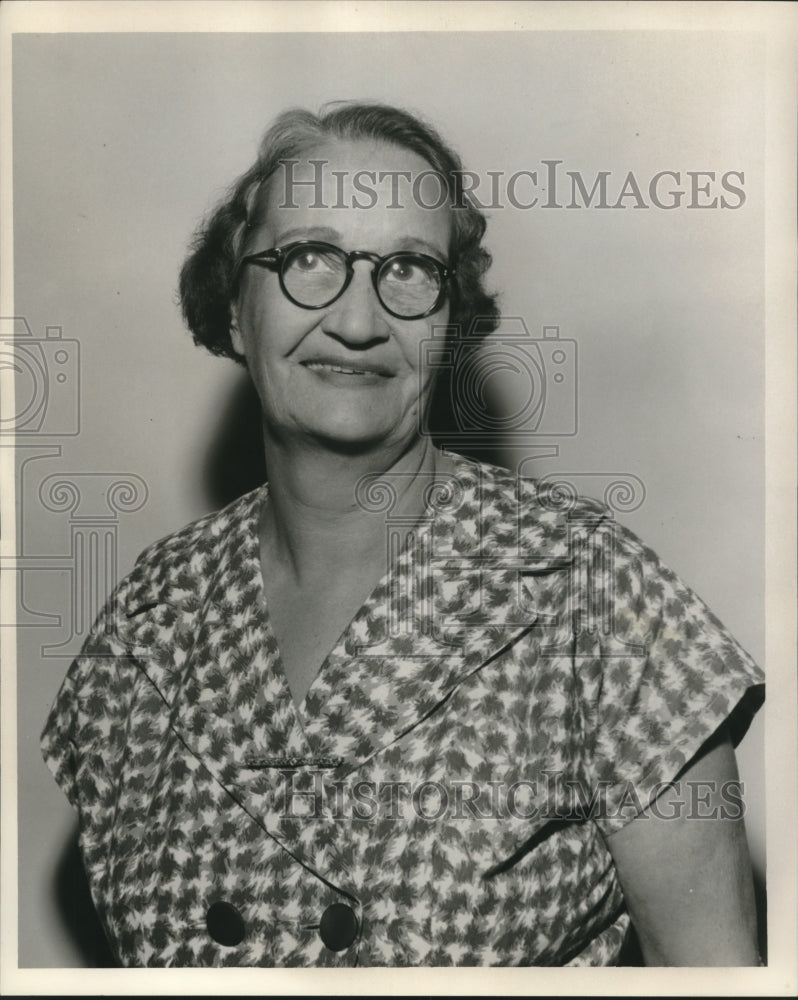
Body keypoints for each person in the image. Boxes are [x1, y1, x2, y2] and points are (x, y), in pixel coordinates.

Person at [41, 101, 765, 968]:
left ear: (448, 319)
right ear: (236, 307)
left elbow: (715, 976)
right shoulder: (146, 624)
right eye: (309, 257)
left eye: (409, 269)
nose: (357, 320)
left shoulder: (598, 598)